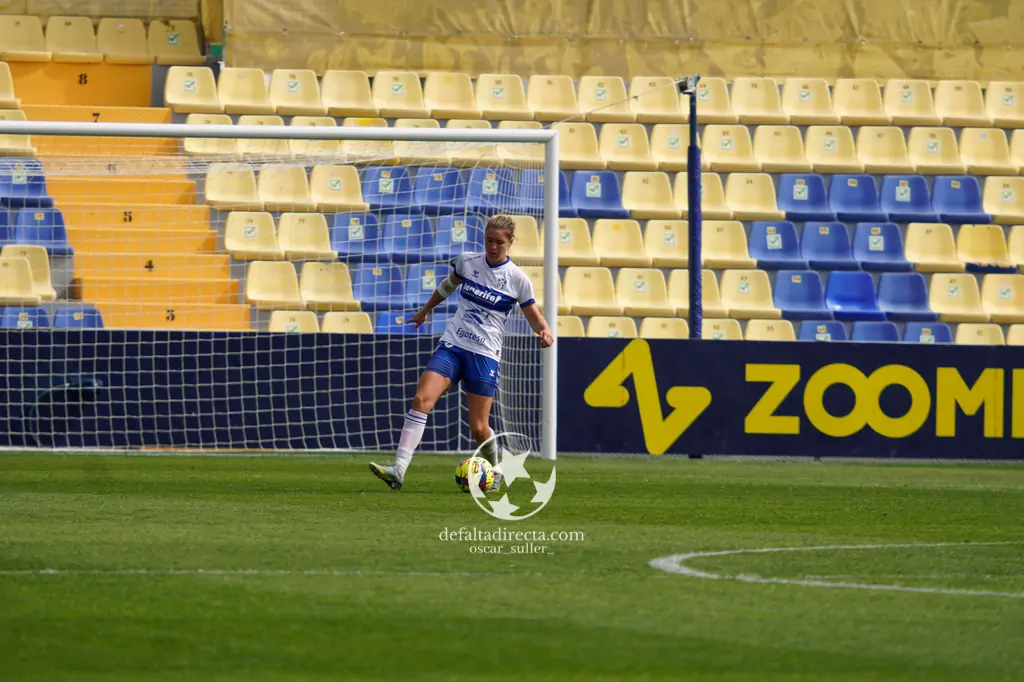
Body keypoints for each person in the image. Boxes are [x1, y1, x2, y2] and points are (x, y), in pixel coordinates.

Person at [369, 215, 554, 491]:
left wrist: (545, 330)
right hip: (453, 346)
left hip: (485, 355)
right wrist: (425, 310)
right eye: (489, 241)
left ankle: (496, 471)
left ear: (510, 243)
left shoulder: (518, 279)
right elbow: (448, 285)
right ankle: (398, 469)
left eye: (499, 243)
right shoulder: (468, 262)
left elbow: (532, 314)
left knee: (479, 428)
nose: (493, 247)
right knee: (421, 399)